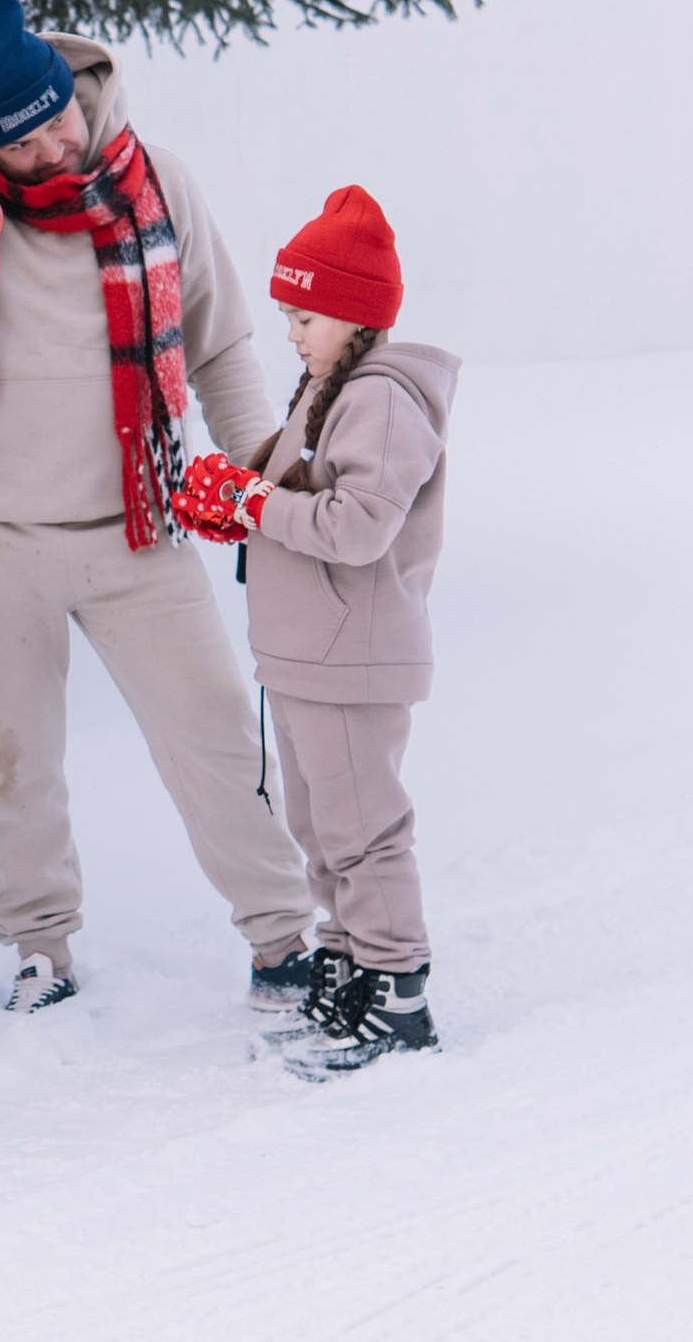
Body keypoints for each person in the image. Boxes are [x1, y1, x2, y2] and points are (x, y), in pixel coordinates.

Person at [0, 0, 317, 1014]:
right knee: (4, 757)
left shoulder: (154, 182)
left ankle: (282, 937)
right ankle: (39, 945)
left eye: (58, 113)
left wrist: (269, 475)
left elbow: (219, 339)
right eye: (22, 141)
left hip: (133, 523)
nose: (56, 142)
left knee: (215, 733)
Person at [171, 185, 458, 1074]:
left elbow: (357, 525)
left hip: (353, 656)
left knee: (365, 829)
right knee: (321, 826)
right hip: (303, 655)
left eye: (306, 314)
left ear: (357, 318)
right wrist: (243, 498)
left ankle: (398, 990)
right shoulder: (325, 387)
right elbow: (301, 499)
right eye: (288, 313)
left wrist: (256, 502)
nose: (290, 330)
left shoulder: (380, 400)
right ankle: (349, 967)